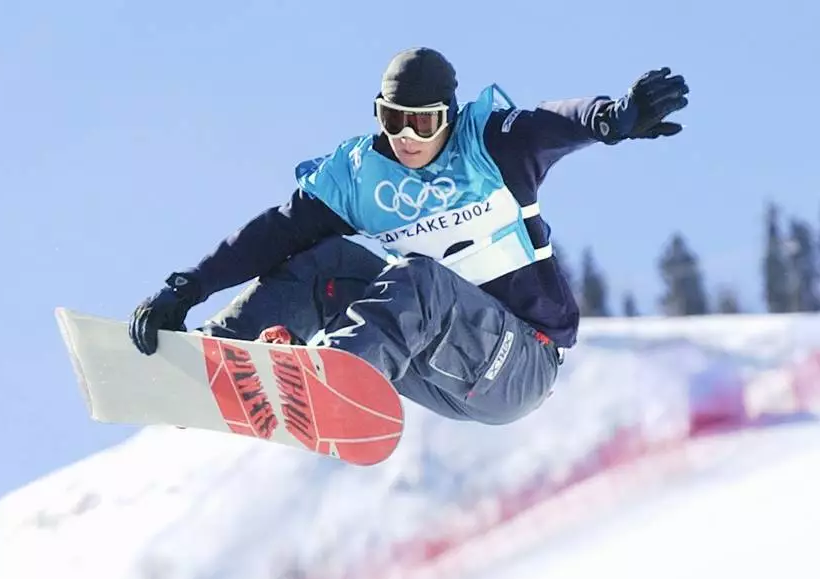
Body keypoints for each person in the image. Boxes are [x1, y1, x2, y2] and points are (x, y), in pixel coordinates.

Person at [127, 47, 689, 425]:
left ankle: (334, 380)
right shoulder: (360, 177)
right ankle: (218, 354)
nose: (407, 137)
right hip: (430, 359)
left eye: (423, 122)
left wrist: (613, 118)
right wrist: (186, 287)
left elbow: (557, 120)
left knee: (420, 278)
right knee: (324, 259)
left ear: (448, 115)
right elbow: (271, 233)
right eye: (393, 119)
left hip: (519, 362)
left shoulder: (491, 143)